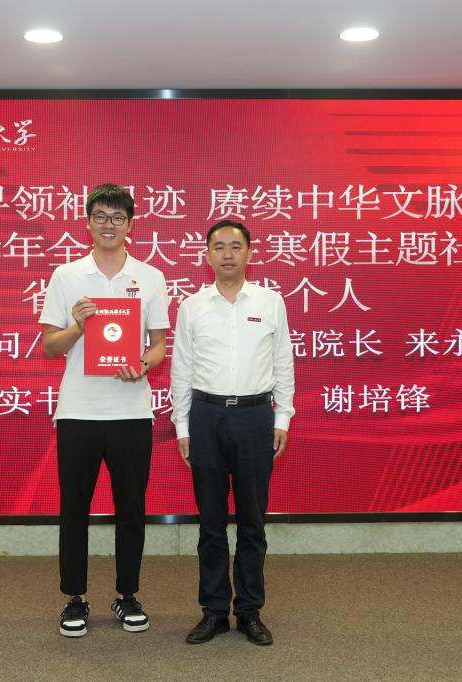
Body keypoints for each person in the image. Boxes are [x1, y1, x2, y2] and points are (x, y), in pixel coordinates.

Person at [39, 184, 170, 638]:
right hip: (77, 410)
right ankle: (74, 598)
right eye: (100, 216)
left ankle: (126, 594)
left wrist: (143, 366)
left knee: (131, 509)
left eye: (117, 217)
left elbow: (159, 345)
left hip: (131, 412)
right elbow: (49, 346)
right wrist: (78, 325)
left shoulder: (150, 276)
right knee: (73, 507)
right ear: (88, 222)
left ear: (131, 225)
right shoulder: (67, 275)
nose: (108, 224)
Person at [170, 219, 295, 646]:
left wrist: (282, 418)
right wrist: (182, 425)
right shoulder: (192, 306)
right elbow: (182, 368)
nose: (227, 253)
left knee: (252, 522)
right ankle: (213, 612)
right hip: (206, 417)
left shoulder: (271, 302)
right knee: (210, 522)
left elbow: (283, 362)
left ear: (249, 253)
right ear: (207, 255)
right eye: (219, 246)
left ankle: (249, 611)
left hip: (255, 416)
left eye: (235, 246)